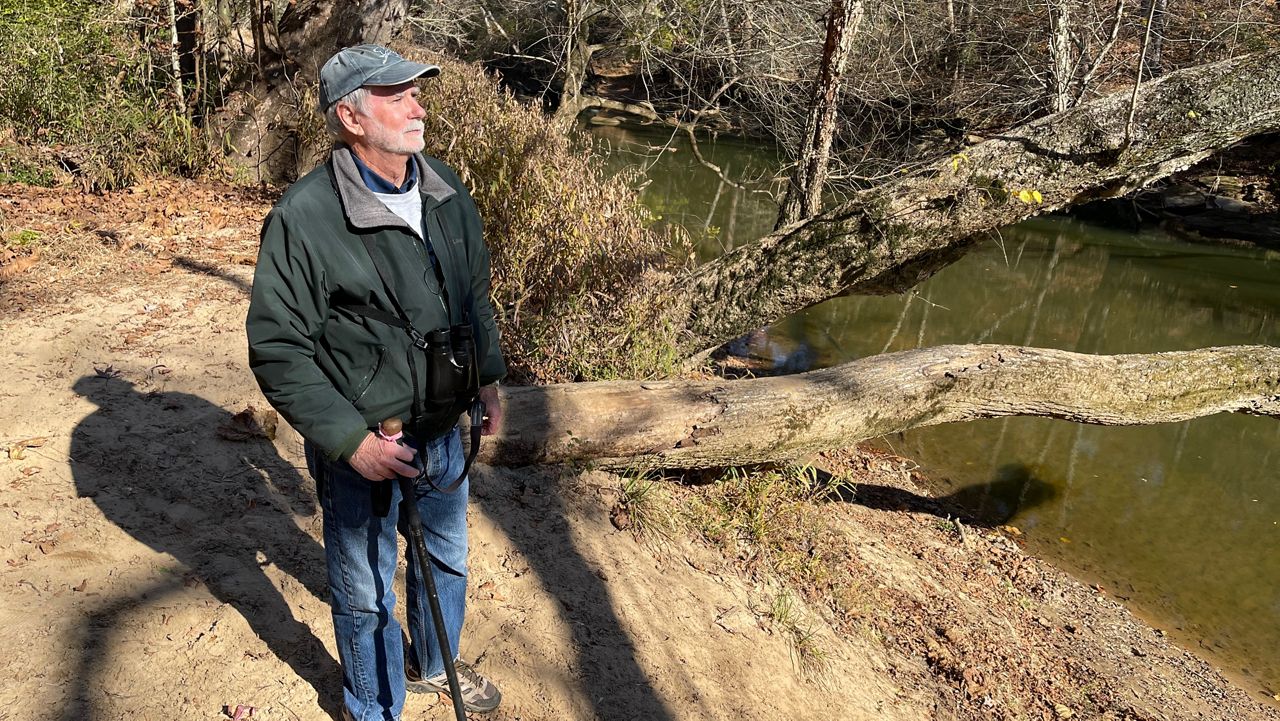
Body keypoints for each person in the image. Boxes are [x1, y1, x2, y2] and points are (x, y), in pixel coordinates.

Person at [246, 44, 506, 720]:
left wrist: (488, 377)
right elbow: (278, 347)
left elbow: (473, 292)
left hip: (444, 426)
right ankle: (374, 707)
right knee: (363, 593)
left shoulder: (445, 189)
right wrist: (350, 442)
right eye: (397, 96)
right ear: (351, 117)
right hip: (366, 444)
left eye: (416, 92)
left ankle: (432, 661)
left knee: (445, 560)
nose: (418, 107)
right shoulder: (304, 218)